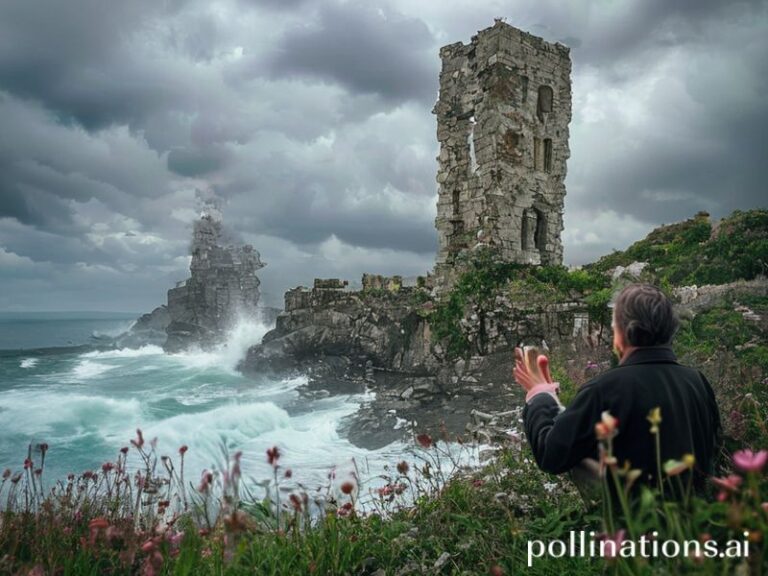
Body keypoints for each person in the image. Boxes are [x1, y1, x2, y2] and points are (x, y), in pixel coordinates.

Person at [514, 283, 721, 492]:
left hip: (636, 519)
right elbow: (714, 445)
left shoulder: (604, 390)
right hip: (694, 515)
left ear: (624, 332)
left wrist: (539, 394)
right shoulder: (697, 381)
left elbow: (552, 454)